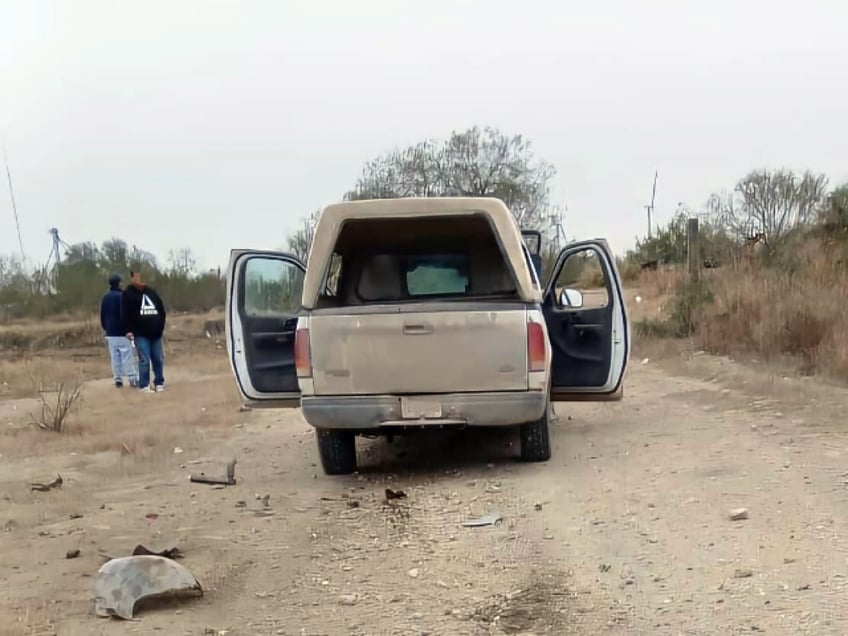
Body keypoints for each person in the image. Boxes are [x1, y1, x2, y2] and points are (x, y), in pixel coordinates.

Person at [121, 269, 167, 392]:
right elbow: (125, 313)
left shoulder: (151, 292)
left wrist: (161, 326)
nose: (139, 279)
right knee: (144, 360)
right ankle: (144, 385)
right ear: (132, 278)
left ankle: (159, 382)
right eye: (136, 277)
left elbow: (161, 310)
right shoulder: (128, 294)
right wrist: (128, 330)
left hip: (156, 332)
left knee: (158, 358)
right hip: (140, 333)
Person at [100, 273, 138, 388]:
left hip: (110, 332)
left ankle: (117, 379)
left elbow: (102, 315)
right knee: (127, 356)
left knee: (115, 357)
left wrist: (106, 328)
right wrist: (130, 329)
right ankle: (132, 378)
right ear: (119, 283)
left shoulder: (105, 297)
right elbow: (127, 315)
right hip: (122, 332)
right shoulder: (122, 296)